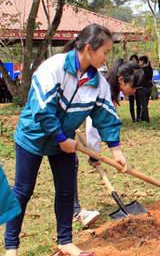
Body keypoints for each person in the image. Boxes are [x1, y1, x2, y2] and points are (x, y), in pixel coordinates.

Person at [4, 24, 128, 256]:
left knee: (66, 190)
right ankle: (11, 247)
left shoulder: (97, 83)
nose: (106, 58)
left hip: (65, 141)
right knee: (23, 190)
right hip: (32, 136)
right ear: (89, 49)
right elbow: (43, 111)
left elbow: (105, 116)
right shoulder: (53, 68)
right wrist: (61, 138)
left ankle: (65, 242)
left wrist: (116, 149)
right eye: (105, 52)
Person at [74, 60, 143, 228]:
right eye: (133, 87)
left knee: (70, 165)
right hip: (57, 126)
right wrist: (94, 153)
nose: (134, 91)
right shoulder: (102, 91)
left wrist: (95, 152)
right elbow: (93, 126)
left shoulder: (109, 90)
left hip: (70, 122)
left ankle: (74, 209)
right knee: (69, 165)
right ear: (121, 80)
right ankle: (75, 211)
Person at [137, 56, 153, 123]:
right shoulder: (150, 68)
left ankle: (146, 119)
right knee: (145, 104)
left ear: (142, 61)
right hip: (149, 88)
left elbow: (140, 80)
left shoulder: (141, 70)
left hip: (142, 88)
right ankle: (142, 118)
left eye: (139, 61)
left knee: (143, 105)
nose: (138, 62)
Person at [128, 54, 139, 122]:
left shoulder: (139, 68)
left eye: (134, 60)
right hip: (130, 87)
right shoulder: (128, 68)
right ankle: (133, 119)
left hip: (138, 87)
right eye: (132, 60)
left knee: (138, 103)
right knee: (131, 104)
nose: (133, 62)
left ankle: (138, 118)